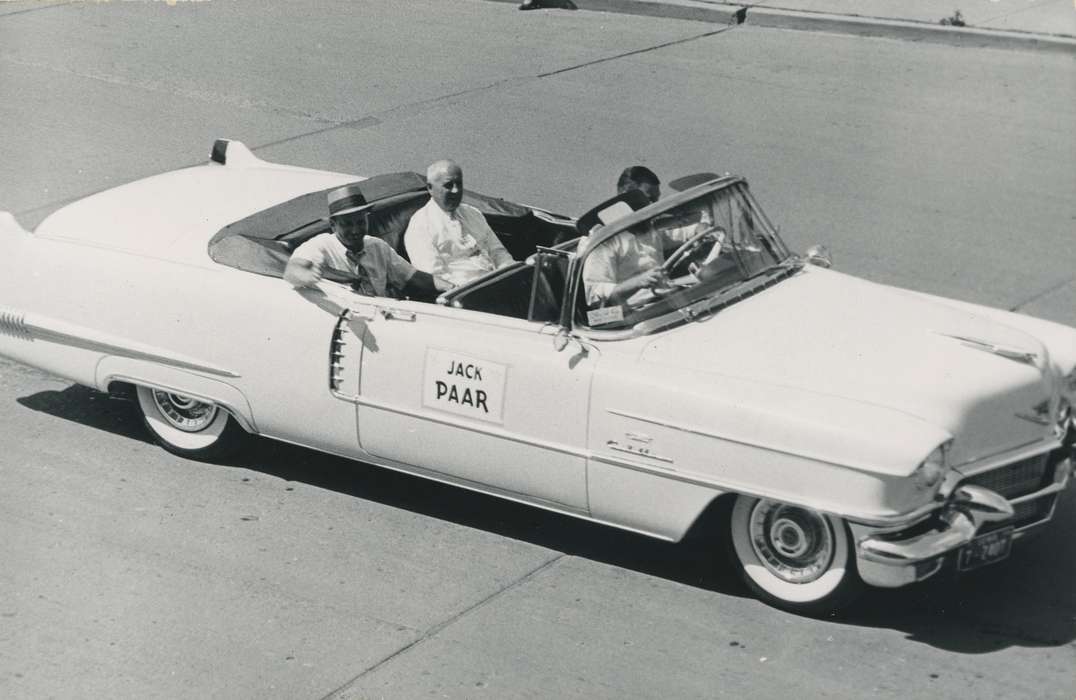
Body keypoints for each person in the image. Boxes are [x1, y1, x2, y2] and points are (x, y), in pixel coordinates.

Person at [285, 183, 451, 299]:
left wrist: (450, 287)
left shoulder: (376, 246)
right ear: (333, 225)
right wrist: (309, 275)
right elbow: (291, 271)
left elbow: (412, 277)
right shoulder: (321, 245)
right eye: (347, 225)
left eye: (360, 222)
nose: (356, 230)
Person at [582, 166, 715, 307]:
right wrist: (639, 282)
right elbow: (594, 296)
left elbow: (675, 234)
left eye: (655, 201)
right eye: (649, 200)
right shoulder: (602, 240)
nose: (654, 207)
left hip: (668, 299)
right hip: (633, 314)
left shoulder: (648, 227)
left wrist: (699, 229)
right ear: (625, 198)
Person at [404, 160, 515, 287]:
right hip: (463, 295)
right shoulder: (421, 225)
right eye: (448, 185)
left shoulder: (474, 213)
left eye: (459, 184)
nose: (456, 190)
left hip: (499, 285)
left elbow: (498, 253)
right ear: (430, 188)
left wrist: (510, 274)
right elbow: (434, 277)